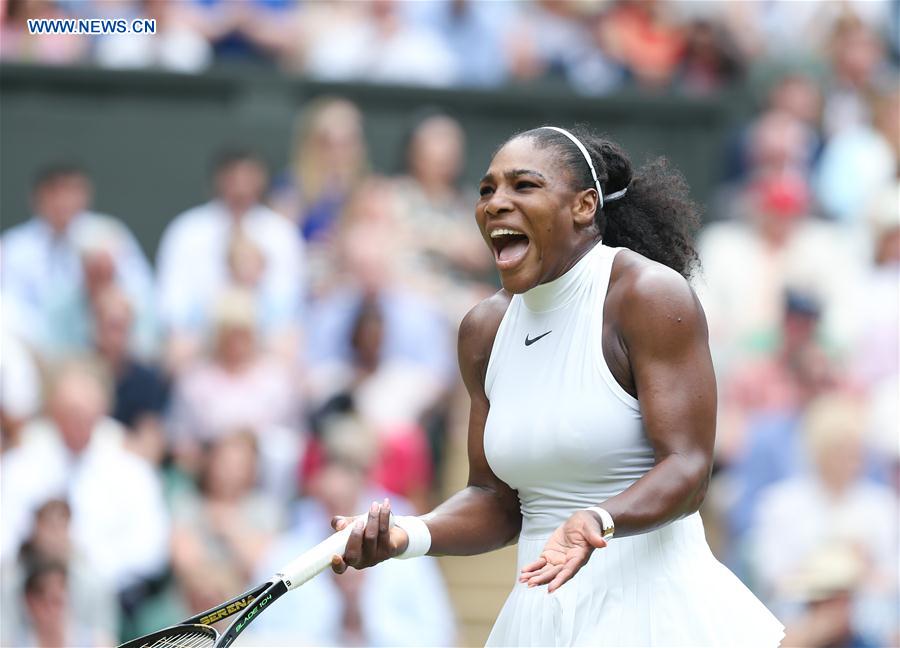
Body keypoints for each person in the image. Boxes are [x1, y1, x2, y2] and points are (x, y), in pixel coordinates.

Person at [329, 125, 784, 646]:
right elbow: (495, 500)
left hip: (657, 613)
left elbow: (688, 468)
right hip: (541, 617)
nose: (496, 203)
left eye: (523, 186)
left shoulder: (648, 296)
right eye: (486, 190)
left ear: (584, 206)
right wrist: (409, 534)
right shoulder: (483, 330)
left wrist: (598, 519)